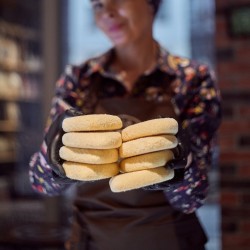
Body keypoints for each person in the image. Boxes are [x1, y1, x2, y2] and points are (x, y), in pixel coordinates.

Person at [29, 0, 221, 249]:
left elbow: (192, 199)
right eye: (97, 5)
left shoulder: (192, 79)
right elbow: (40, 183)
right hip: (93, 240)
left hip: (168, 239)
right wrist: (53, 158)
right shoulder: (80, 80)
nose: (106, 12)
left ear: (151, 5)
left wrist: (182, 165)